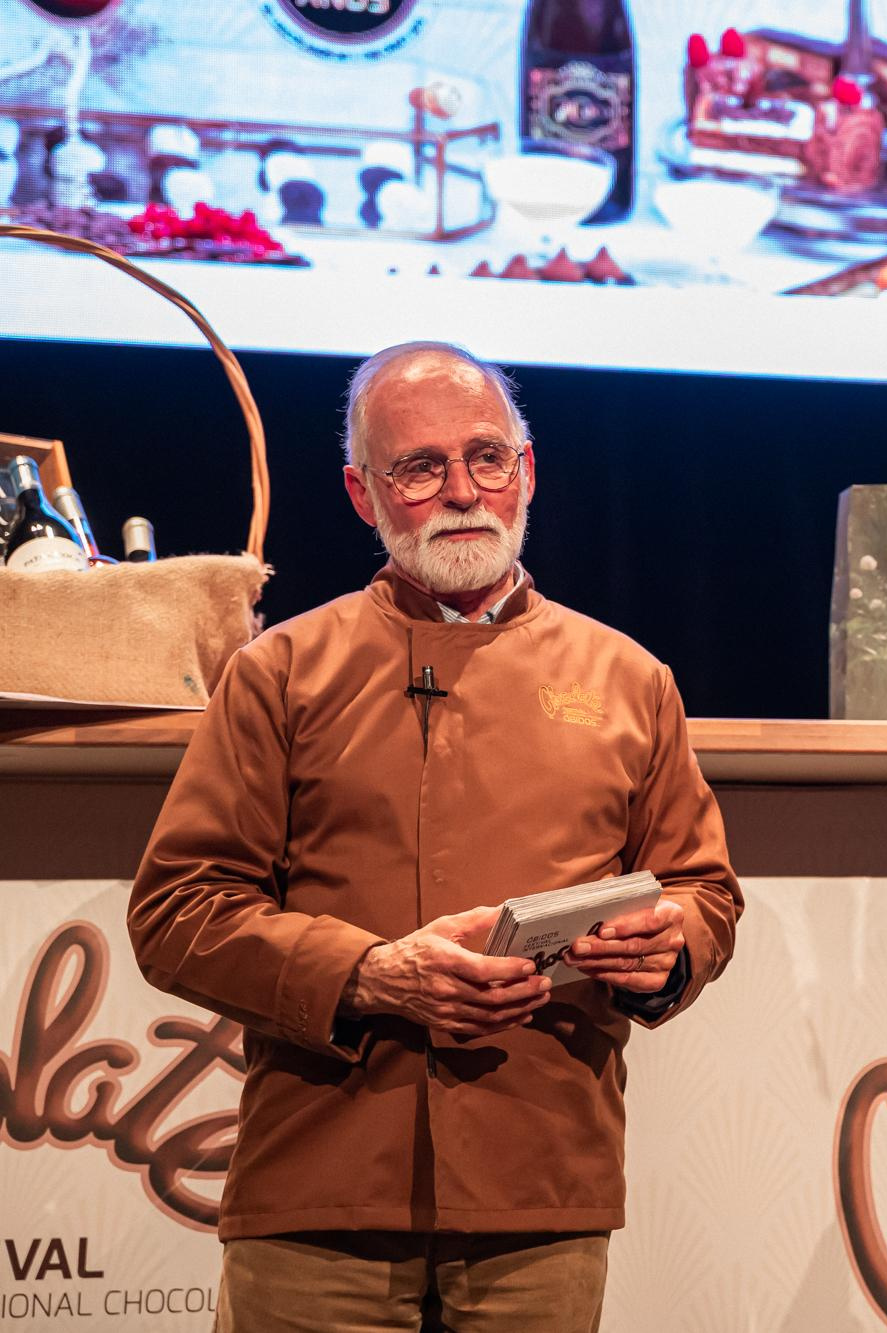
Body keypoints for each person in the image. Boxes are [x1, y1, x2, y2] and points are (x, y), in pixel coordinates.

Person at [128, 341, 744, 1332]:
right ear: (361, 494)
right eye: (418, 468)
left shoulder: (630, 679)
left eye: (486, 457)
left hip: (541, 1184)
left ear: (526, 470)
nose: (461, 491)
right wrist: (369, 974)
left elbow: (703, 890)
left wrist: (671, 947)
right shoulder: (282, 671)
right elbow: (178, 912)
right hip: (320, 1184)